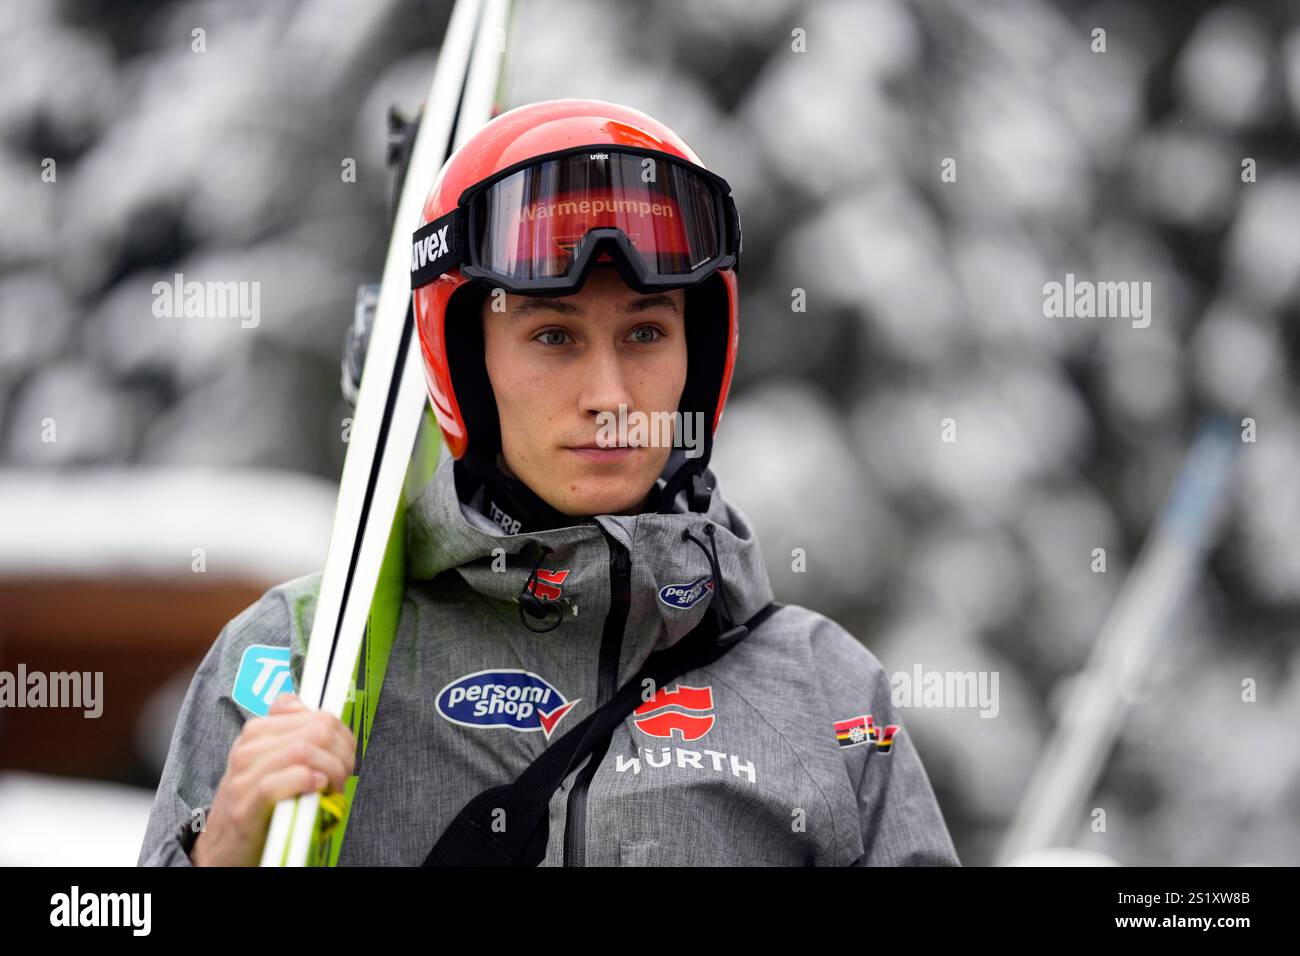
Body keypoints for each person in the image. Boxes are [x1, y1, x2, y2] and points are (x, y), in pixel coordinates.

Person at [138, 99, 960, 867]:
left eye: (645, 331)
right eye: (553, 336)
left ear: (698, 359)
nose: (609, 395)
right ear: (468, 365)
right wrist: (215, 857)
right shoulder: (297, 663)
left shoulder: (827, 694)